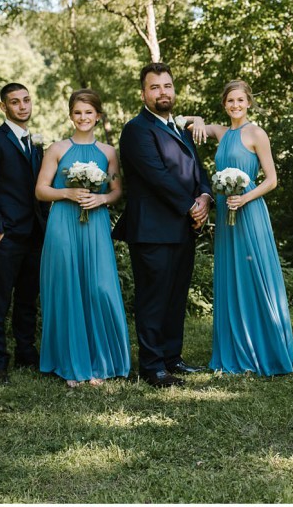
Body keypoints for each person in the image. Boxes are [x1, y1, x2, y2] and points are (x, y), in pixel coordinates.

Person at [112, 63, 213, 388]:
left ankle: (173, 358)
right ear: (144, 93)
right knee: (153, 297)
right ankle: (152, 366)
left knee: (175, 296)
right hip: (152, 229)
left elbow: (198, 169)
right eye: (154, 87)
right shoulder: (136, 130)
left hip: (183, 228)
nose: (162, 92)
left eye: (167, 86)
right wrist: (189, 206)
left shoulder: (180, 128)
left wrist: (206, 198)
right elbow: (157, 176)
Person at [187, 80, 293, 376]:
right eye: (230, 101)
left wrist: (244, 197)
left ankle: (265, 349)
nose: (235, 105)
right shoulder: (222, 133)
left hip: (249, 211)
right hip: (225, 215)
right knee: (232, 276)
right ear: (224, 105)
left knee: (255, 275)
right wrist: (197, 119)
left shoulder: (256, 133)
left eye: (240, 100)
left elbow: (271, 180)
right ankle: (235, 346)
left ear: (248, 102)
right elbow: (182, 122)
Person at [35, 89, 130, 387]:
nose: (83, 117)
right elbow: (40, 190)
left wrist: (101, 201)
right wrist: (68, 193)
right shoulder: (57, 149)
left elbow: (116, 191)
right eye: (78, 112)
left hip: (96, 223)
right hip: (63, 221)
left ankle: (101, 361)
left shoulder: (108, 152)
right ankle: (70, 364)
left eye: (89, 112)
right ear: (70, 116)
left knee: (99, 287)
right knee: (67, 287)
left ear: (98, 116)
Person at [0, 82, 48, 385]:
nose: (23, 106)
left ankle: (26, 352)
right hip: (7, 234)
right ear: (4, 107)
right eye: (15, 102)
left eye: (26, 100)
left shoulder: (35, 143)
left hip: (35, 234)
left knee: (29, 298)